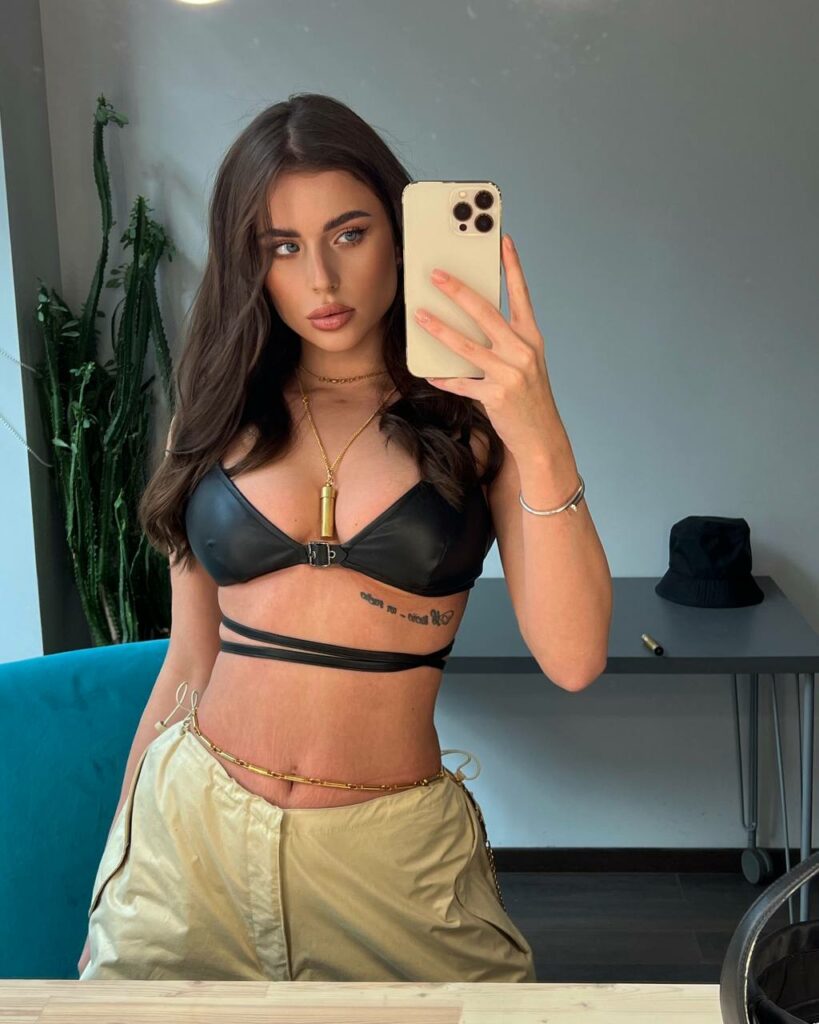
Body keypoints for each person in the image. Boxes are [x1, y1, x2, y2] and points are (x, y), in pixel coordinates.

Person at [78, 91, 537, 982]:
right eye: (281, 246)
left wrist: (536, 417)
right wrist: (120, 863)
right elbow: (188, 660)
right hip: (190, 837)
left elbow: (573, 657)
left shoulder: (474, 423)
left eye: (348, 234)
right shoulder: (213, 416)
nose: (320, 281)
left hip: (388, 854)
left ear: (399, 234)